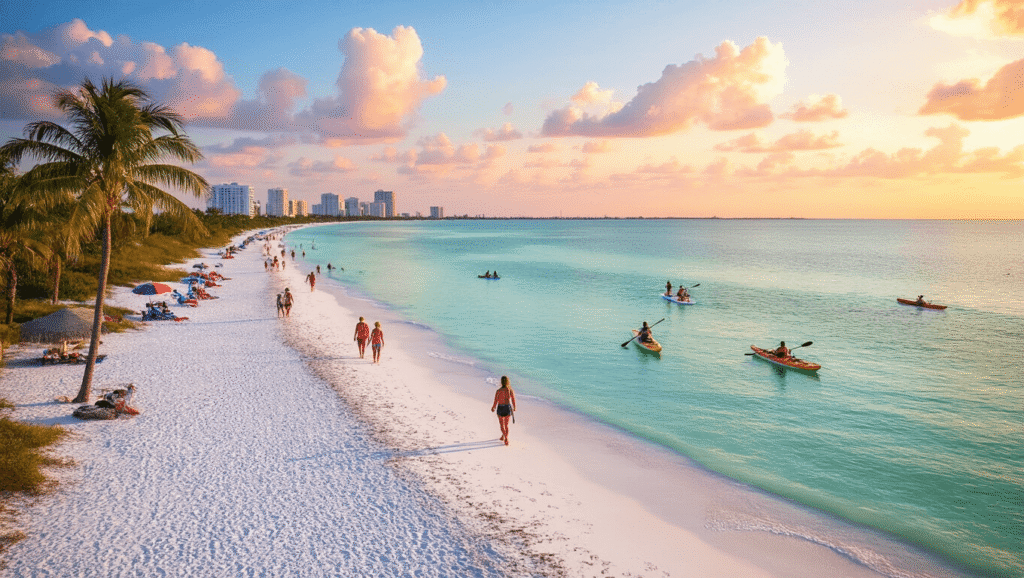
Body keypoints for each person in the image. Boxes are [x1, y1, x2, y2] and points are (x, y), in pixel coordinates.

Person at [490, 376, 517, 445]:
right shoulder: (510, 390)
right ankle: (504, 436)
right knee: (506, 425)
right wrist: (514, 407)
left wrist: (493, 407)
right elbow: (513, 400)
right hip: (507, 408)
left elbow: (496, 400)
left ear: (501, 382)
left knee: (502, 425)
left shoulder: (498, 391)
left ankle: (506, 437)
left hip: (500, 408)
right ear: (508, 382)